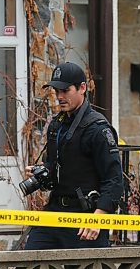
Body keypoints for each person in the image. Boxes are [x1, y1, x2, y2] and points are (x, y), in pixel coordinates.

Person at [24, 62, 123, 250]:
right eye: (56, 91)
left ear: (82, 88)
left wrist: (98, 219)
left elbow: (115, 180)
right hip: (55, 214)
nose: (60, 97)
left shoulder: (98, 129)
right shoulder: (57, 125)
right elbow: (55, 166)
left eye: (65, 90)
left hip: (85, 220)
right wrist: (43, 172)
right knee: (28, 260)